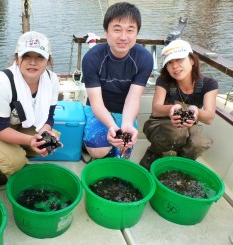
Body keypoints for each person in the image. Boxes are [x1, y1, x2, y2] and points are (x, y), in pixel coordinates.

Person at [0, 31, 60, 178]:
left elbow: (48, 117)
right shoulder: (1, 83)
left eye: (40, 57)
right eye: (27, 56)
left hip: (12, 121)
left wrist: (44, 135)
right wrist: (31, 140)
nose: (33, 62)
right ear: (17, 58)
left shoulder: (51, 80)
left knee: (51, 137)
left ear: (48, 60)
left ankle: (4, 151)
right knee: (15, 161)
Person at [81, 2, 153, 159]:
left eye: (130, 30)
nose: (123, 37)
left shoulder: (144, 58)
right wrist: (112, 126)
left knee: (122, 150)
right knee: (98, 150)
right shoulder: (92, 58)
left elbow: (133, 98)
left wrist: (126, 124)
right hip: (99, 109)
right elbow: (96, 103)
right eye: (117, 29)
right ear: (106, 32)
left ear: (136, 33)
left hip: (125, 111)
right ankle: (88, 143)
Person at [139, 39, 218, 170]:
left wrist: (195, 111)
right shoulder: (164, 80)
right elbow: (156, 109)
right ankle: (153, 155)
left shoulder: (209, 84)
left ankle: (180, 164)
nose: (175, 66)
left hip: (189, 125)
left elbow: (209, 118)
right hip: (160, 124)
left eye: (179, 59)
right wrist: (172, 109)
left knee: (199, 142)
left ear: (192, 60)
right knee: (176, 132)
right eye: (170, 62)